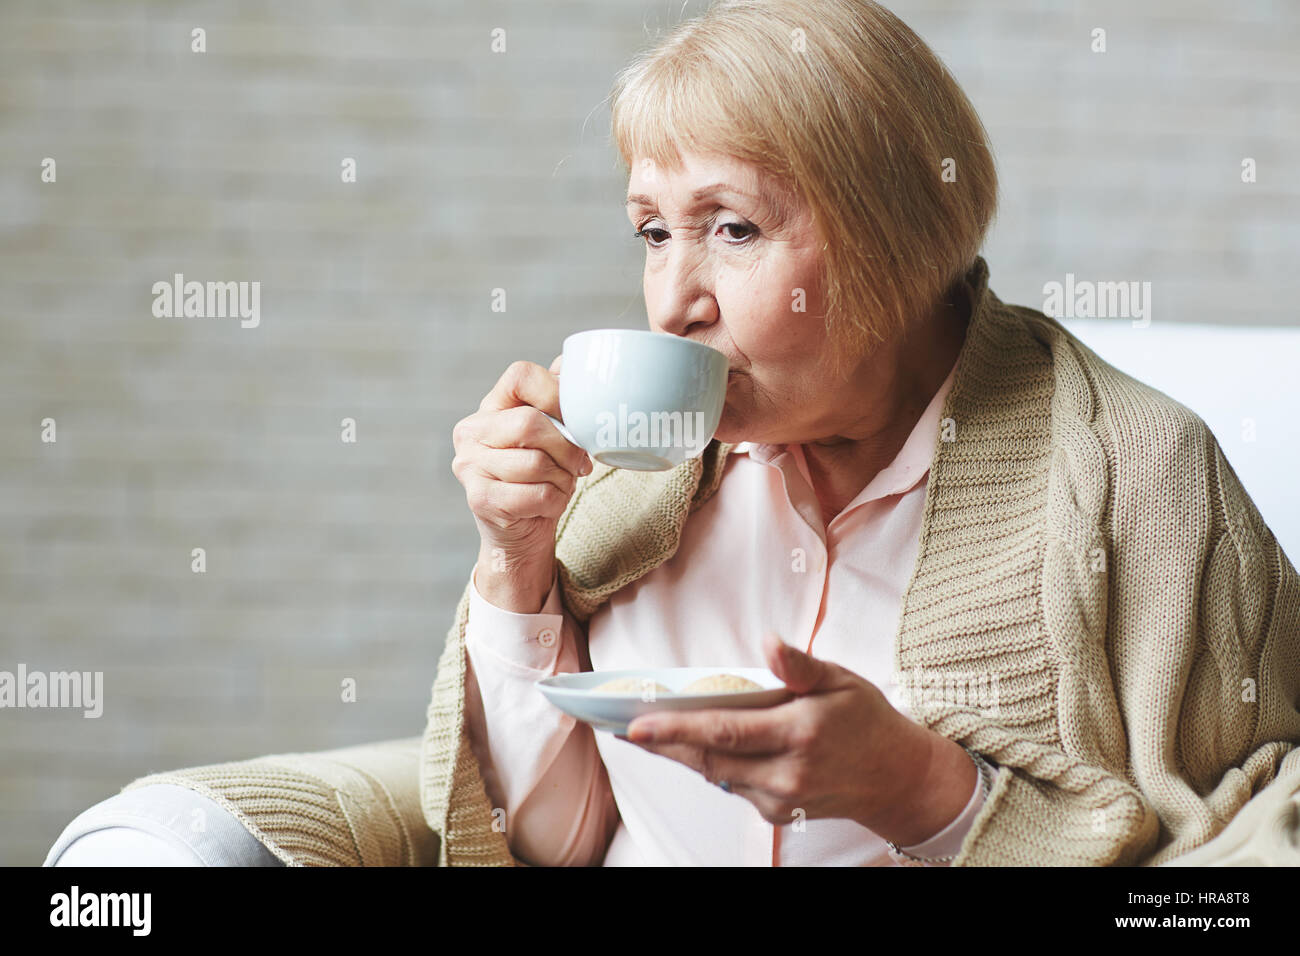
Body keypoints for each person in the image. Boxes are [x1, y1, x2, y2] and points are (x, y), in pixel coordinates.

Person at [420, 0, 1300, 866]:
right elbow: (550, 844)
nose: (672, 304)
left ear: (896, 238)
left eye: (733, 228)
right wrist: (516, 561)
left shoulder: (1146, 477)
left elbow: (1232, 863)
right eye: (653, 232)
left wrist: (923, 793)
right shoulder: (626, 481)